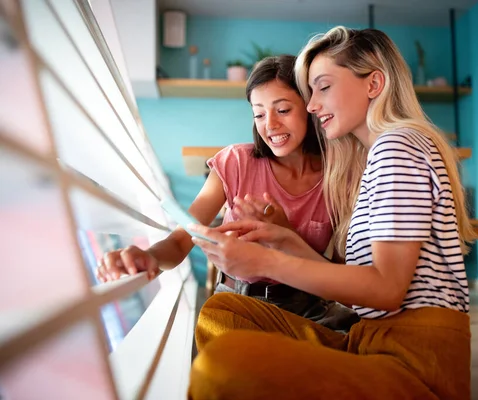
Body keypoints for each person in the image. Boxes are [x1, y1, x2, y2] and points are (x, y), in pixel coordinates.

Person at [186, 26, 476, 400]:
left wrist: (263, 261)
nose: (311, 105)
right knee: (223, 310)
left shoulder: (397, 147)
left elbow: (386, 290)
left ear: (374, 84)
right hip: (369, 341)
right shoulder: (378, 156)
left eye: (322, 87)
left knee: (223, 362)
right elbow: (360, 289)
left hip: (412, 360)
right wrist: (285, 239)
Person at [95, 54, 357, 331]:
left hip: (309, 309)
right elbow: (179, 243)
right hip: (237, 304)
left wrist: (286, 237)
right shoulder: (236, 162)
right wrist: (148, 258)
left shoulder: (338, 178)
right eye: (259, 113)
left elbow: (343, 281)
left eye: (282, 110)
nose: (270, 124)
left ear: (310, 107)